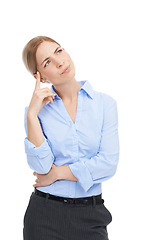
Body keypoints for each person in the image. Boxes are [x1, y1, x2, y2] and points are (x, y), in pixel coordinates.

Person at [22, 36, 119, 240]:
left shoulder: (105, 104)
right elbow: (41, 167)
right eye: (47, 62)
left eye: (58, 51)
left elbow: (108, 164)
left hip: (91, 215)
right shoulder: (36, 112)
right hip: (43, 216)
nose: (59, 62)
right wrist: (31, 115)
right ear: (41, 77)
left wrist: (57, 174)